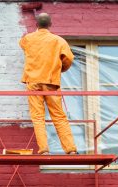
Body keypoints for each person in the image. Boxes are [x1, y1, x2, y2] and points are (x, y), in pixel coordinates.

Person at [19, 13, 77, 155]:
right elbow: (68, 59)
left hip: (33, 82)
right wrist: (60, 69)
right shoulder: (59, 41)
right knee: (58, 116)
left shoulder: (27, 39)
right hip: (51, 81)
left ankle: (44, 149)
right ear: (50, 24)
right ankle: (70, 149)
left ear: (36, 25)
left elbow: (23, 45)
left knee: (38, 117)